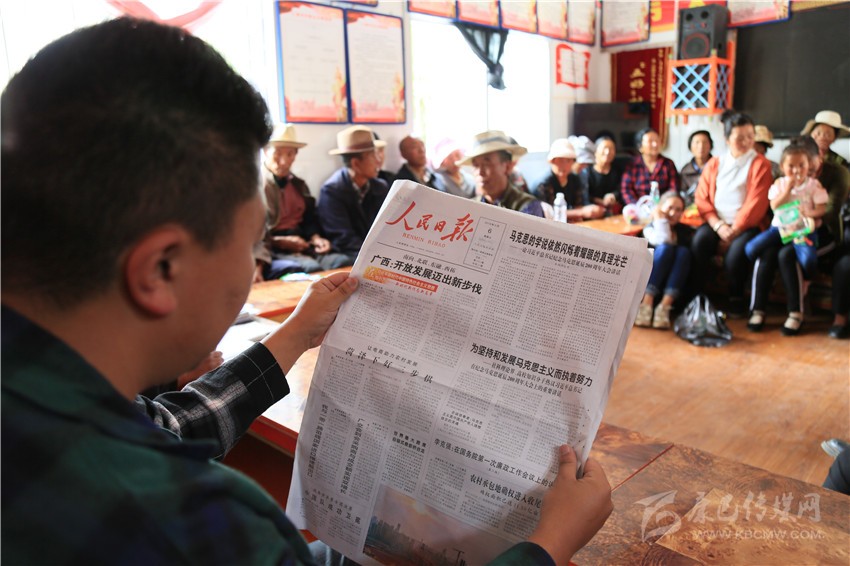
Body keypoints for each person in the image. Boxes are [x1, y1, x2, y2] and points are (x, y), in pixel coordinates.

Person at [2, 18, 613, 565]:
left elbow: (163, 426)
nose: (253, 263)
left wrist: (294, 334)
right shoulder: (202, 525)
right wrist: (546, 546)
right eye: (251, 244)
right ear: (161, 269)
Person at [748, 136, 849, 336]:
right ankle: (757, 310)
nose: (799, 170)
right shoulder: (783, 180)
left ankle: (795, 313)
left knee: (786, 255)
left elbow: (829, 211)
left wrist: (807, 216)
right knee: (766, 253)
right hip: (784, 230)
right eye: (792, 165)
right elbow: (774, 206)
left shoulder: (830, 177)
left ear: (818, 158)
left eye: (805, 164)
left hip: (814, 231)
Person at [689, 111, 772, 317]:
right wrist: (718, 225)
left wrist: (734, 230)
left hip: (747, 225)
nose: (746, 142)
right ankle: (696, 296)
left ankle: (736, 298)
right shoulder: (715, 163)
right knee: (699, 242)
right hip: (716, 222)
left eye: (750, 136)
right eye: (739, 137)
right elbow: (701, 197)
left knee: (735, 254)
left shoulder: (760, 164)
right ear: (727, 139)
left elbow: (756, 203)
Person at [256, 124, 351, 280]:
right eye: (277, 154)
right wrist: (279, 242)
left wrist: (316, 238)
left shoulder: (298, 185)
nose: (283, 161)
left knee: (341, 262)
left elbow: (309, 219)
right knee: (310, 269)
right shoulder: (256, 186)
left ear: (295, 155)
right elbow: (253, 234)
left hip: (302, 244)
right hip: (271, 250)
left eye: (289, 154)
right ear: (266, 152)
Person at [318, 126, 391, 264]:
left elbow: (387, 227)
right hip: (348, 253)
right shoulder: (332, 191)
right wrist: (373, 256)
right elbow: (343, 238)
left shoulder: (380, 187)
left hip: (375, 253)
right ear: (356, 163)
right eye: (373, 156)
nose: (378, 160)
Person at [635, 192, 693, 329]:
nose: (673, 213)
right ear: (660, 207)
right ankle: (646, 304)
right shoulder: (650, 228)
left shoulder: (684, 230)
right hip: (652, 279)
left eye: (678, 210)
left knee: (683, 252)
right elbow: (663, 240)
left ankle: (664, 307)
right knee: (665, 249)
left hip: (672, 285)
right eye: (670, 208)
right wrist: (660, 219)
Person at [459, 130, 545, 217]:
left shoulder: (527, 206)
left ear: (507, 167)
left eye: (486, 163)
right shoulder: (470, 207)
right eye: (475, 165)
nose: (480, 172)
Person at [534, 138, 605, 220]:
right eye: (560, 160)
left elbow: (578, 204)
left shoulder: (575, 179)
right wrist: (581, 212)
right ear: (552, 161)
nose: (564, 165)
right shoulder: (543, 184)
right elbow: (548, 213)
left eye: (568, 160)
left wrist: (590, 210)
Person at [620, 127, 679, 205]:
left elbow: (673, 189)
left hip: (663, 206)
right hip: (637, 206)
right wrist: (637, 206)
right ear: (640, 147)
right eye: (650, 141)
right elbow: (626, 190)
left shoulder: (668, 164)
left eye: (657, 140)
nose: (655, 144)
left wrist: (663, 205)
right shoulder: (632, 165)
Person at [580, 135, 622, 215]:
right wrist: (600, 201)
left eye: (611, 149)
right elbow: (584, 197)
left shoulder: (617, 171)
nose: (608, 152)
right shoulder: (586, 173)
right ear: (596, 152)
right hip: (593, 212)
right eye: (605, 148)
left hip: (614, 213)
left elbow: (621, 190)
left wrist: (613, 196)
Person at [679, 130, 713, 205]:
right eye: (697, 142)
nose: (701, 146)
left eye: (705, 142)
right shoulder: (685, 171)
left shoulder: (718, 167)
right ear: (690, 147)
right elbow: (682, 193)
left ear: (710, 145)